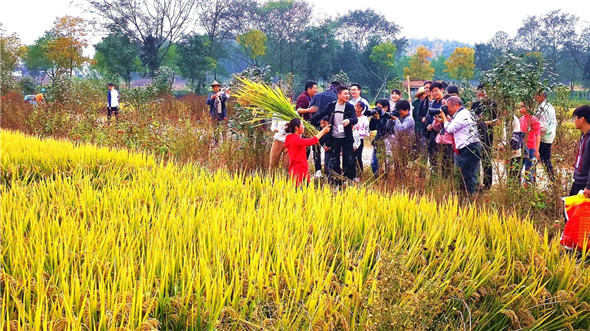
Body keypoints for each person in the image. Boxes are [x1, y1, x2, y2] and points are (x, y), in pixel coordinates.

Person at [311, 86, 358, 182]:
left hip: (346, 138)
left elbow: (355, 119)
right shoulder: (331, 105)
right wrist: (308, 121)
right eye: (345, 94)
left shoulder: (349, 106)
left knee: (348, 160)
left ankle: (348, 179)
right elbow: (320, 114)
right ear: (338, 95)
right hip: (334, 138)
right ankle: (337, 181)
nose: (347, 95)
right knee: (335, 161)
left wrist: (349, 120)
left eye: (348, 94)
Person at [298, 81, 340, 177]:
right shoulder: (335, 98)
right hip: (329, 126)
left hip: (315, 124)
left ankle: (317, 171)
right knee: (328, 147)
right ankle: (329, 170)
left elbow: (311, 109)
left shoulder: (317, 96)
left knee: (314, 147)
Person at [440, 96, 481, 195]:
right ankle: (466, 196)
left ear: (457, 105)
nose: (448, 110)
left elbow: (450, 129)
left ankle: (470, 198)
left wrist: (444, 119)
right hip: (468, 147)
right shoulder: (462, 114)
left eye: (449, 107)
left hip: (469, 147)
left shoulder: (462, 115)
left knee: (468, 175)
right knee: (466, 174)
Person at [284, 118, 331, 186]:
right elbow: (312, 141)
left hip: (293, 170)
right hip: (300, 170)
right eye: (302, 125)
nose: (304, 127)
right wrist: (323, 131)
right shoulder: (296, 139)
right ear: (296, 128)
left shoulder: (289, 138)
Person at [471, 85, 499, 190]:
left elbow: (498, 120)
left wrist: (485, 123)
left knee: (486, 159)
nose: (481, 93)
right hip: (475, 135)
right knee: (475, 159)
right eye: (480, 91)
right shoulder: (475, 104)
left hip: (487, 135)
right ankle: (476, 182)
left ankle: (487, 184)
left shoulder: (492, 104)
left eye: (484, 91)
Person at [534, 91, 557, 182]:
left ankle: (532, 183)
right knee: (546, 160)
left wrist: (536, 136)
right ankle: (553, 182)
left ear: (543, 96)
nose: (536, 97)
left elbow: (543, 127)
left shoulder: (543, 108)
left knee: (538, 159)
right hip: (549, 136)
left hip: (543, 137)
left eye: (537, 95)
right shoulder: (549, 106)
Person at [424, 82, 445, 170]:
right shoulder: (432, 104)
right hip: (433, 133)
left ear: (442, 90)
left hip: (444, 133)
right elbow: (429, 117)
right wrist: (429, 124)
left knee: (444, 158)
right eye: (432, 91)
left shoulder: (445, 102)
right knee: (433, 156)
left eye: (436, 91)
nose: (434, 93)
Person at [519, 102, 541, 186]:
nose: (520, 108)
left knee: (529, 171)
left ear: (527, 107)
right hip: (522, 148)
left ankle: (528, 191)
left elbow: (538, 135)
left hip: (531, 148)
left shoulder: (534, 120)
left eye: (521, 107)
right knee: (518, 170)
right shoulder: (521, 119)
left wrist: (537, 150)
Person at [570, 105, 590, 197]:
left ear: (582, 119)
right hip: (578, 180)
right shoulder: (583, 135)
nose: (574, 121)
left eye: (576, 118)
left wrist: (589, 186)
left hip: (585, 183)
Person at [353, 101, 370, 178]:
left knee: (358, 157)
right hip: (351, 139)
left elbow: (366, 132)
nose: (355, 107)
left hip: (359, 140)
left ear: (361, 108)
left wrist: (356, 131)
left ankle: (360, 174)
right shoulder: (352, 117)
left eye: (356, 106)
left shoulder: (364, 119)